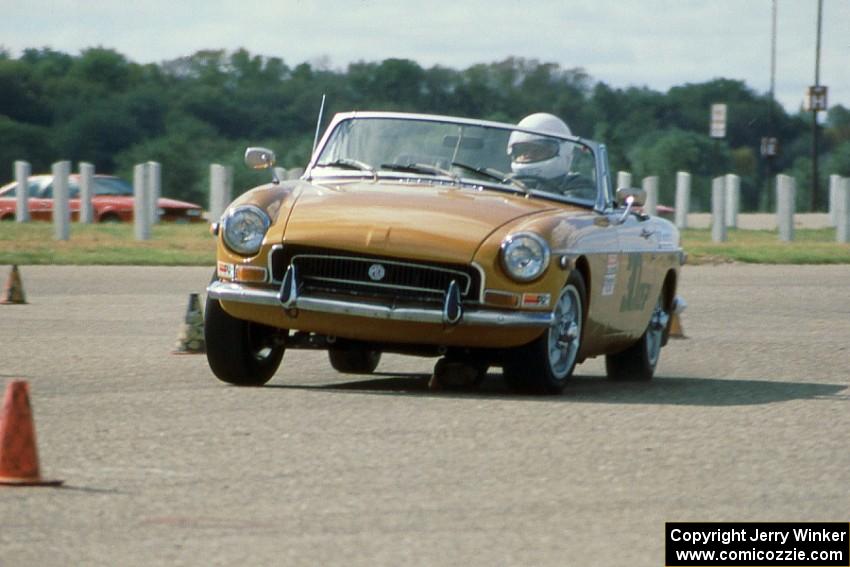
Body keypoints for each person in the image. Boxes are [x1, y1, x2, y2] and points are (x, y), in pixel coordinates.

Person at [507, 113, 594, 199]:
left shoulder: (578, 185)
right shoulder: (507, 181)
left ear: (564, 151)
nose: (528, 155)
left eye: (538, 150)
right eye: (523, 150)